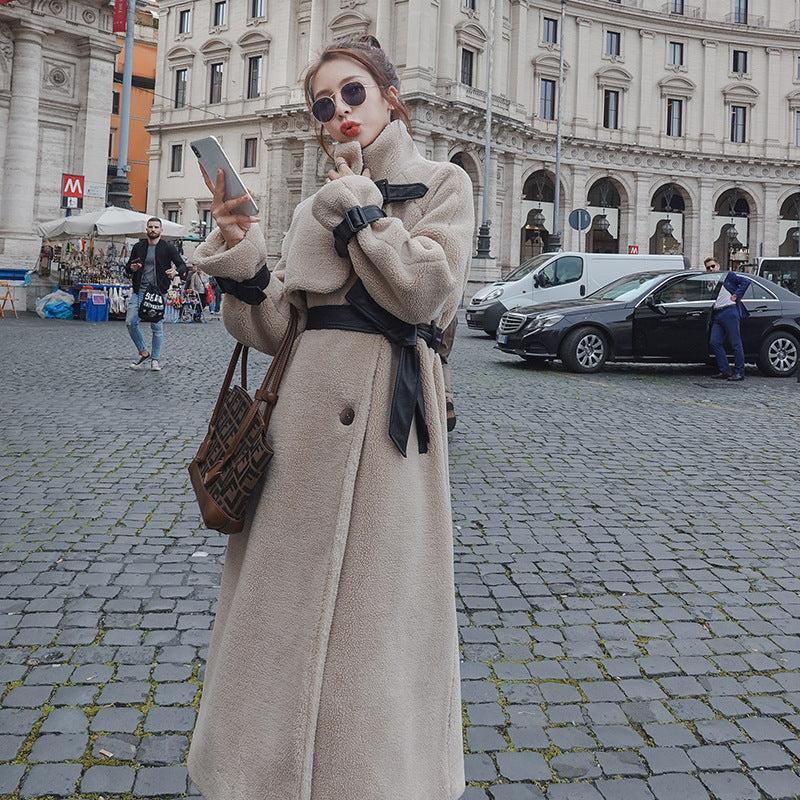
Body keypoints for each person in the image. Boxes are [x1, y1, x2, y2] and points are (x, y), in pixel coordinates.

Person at [187, 35, 474, 800]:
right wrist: (244, 254)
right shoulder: (314, 205)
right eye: (323, 104)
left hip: (390, 436)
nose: (339, 113)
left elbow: (422, 294)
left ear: (389, 98)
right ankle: (260, 775)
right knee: (278, 616)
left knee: (378, 630)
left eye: (352, 94)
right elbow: (280, 329)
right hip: (301, 440)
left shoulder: (445, 183)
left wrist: (355, 207)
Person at [124, 217, 187, 371]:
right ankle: (144, 352)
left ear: (161, 230)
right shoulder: (139, 247)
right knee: (131, 322)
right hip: (139, 291)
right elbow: (127, 269)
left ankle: (155, 359)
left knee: (156, 326)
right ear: (146, 229)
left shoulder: (167, 247)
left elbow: (182, 265)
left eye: (156, 227)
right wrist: (132, 268)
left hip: (159, 292)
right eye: (150, 227)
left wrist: (176, 271)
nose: (153, 229)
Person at [705, 256, 750, 381]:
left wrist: (736, 295)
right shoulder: (709, 282)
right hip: (717, 314)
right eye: (708, 268)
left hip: (729, 311)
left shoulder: (728, 275)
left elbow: (746, 282)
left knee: (735, 343)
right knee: (714, 342)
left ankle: (739, 372)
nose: (711, 269)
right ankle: (725, 370)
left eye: (713, 266)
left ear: (718, 266)